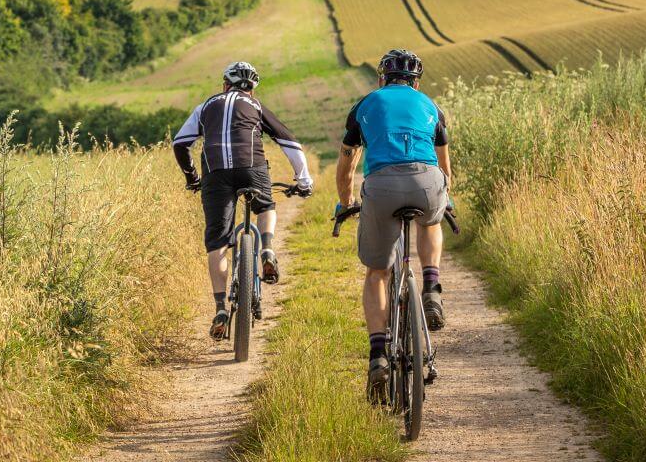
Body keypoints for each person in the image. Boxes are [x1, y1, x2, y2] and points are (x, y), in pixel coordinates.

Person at [335, 49, 453, 401]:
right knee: (432, 221)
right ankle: (431, 287)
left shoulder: (365, 105)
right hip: (427, 182)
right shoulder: (431, 106)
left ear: (381, 79)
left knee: (377, 272)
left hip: (382, 185)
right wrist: (445, 200)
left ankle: (378, 355)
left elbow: (347, 166)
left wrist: (346, 203)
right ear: (416, 83)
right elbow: (445, 169)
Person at [173, 61, 314, 339]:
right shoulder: (256, 106)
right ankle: (267, 250)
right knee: (266, 206)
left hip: (215, 173)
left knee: (218, 241)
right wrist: (304, 181)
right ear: (252, 89)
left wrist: (192, 178)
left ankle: (219, 308)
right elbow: (289, 142)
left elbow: (180, 143)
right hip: (252, 167)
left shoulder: (206, 106)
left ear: (225, 85)